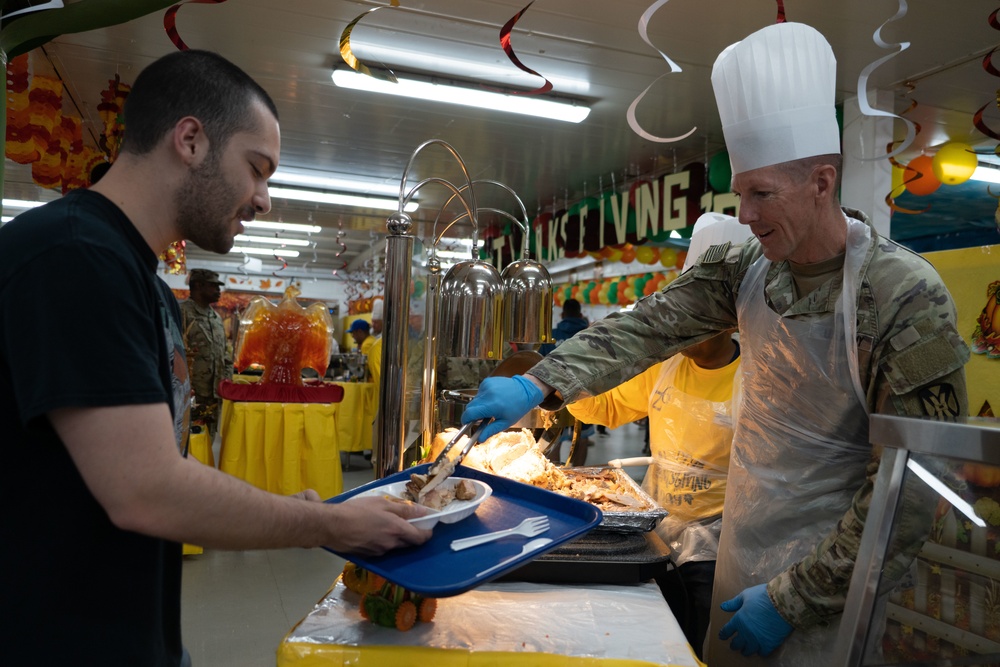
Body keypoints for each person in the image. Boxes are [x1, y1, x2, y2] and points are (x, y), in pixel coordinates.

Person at [460, 22, 969, 665]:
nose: (747, 216)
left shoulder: (902, 296)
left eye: (762, 195)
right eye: (741, 194)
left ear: (822, 181)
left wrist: (794, 599)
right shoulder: (743, 269)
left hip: (839, 589)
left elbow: (913, 483)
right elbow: (648, 324)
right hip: (736, 555)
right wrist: (540, 381)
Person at [0, 49, 430, 667]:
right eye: (257, 169)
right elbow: (145, 490)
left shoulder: (137, 278)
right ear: (191, 140)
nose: (263, 200)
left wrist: (299, 510)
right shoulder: (76, 259)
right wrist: (328, 527)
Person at [564, 214, 749, 659]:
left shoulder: (755, 377)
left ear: (729, 319)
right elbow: (607, 407)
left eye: (698, 318)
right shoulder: (663, 365)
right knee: (653, 635)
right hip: (660, 528)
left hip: (722, 541)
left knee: (698, 638)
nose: (684, 330)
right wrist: (569, 386)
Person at [180, 268, 232, 437]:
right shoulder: (182, 312)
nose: (218, 291)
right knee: (188, 441)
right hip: (191, 394)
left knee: (207, 441)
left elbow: (224, 354)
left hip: (214, 395)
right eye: (213, 286)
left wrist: (227, 381)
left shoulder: (216, 318)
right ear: (198, 285)